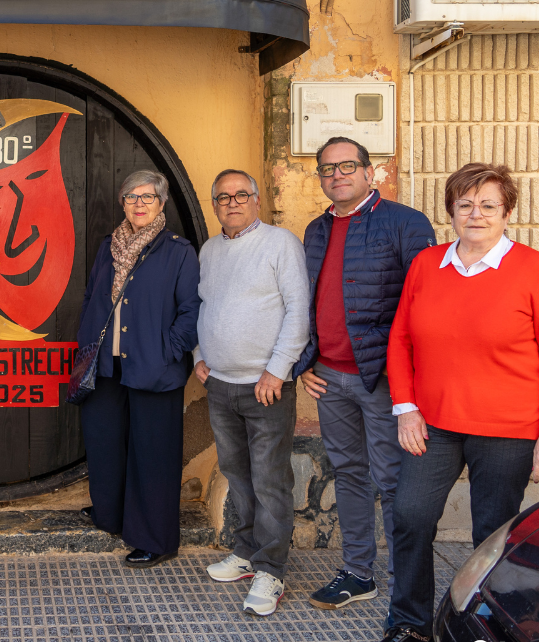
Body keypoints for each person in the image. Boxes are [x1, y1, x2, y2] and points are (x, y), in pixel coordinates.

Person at [380, 162, 539, 642]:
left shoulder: (534, 270)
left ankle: (486, 624)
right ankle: (410, 623)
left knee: (491, 534)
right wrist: (405, 408)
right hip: (434, 423)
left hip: (507, 429)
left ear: (507, 212)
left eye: (488, 205)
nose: (476, 214)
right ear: (451, 211)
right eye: (465, 204)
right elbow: (400, 339)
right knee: (410, 516)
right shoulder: (428, 265)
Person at [293, 137, 435, 611]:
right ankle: (357, 573)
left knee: (393, 480)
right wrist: (304, 364)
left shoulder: (405, 223)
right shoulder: (315, 230)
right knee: (349, 474)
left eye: (347, 165)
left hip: (382, 379)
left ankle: (406, 585)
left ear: (369, 172)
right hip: (329, 378)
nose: (337, 175)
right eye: (327, 168)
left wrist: (409, 382)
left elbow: (423, 305)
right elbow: (309, 304)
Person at [194, 169, 310, 616]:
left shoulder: (281, 243)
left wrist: (277, 372)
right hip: (220, 384)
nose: (233, 202)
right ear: (215, 205)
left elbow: (299, 311)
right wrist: (199, 356)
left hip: (266, 388)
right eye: (223, 197)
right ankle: (245, 553)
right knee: (237, 473)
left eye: (242, 194)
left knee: (270, 479)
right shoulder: (209, 250)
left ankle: (271, 570)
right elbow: (205, 308)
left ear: (257, 200)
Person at [76, 170, 201, 567]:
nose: (139, 203)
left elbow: (191, 310)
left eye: (148, 197)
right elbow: (91, 295)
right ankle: (110, 514)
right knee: (105, 441)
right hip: (105, 364)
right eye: (132, 196)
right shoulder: (107, 247)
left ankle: (155, 538)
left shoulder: (178, 251)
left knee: (153, 452)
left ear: (162, 204)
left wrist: (170, 351)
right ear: (122, 203)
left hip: (155, 365)